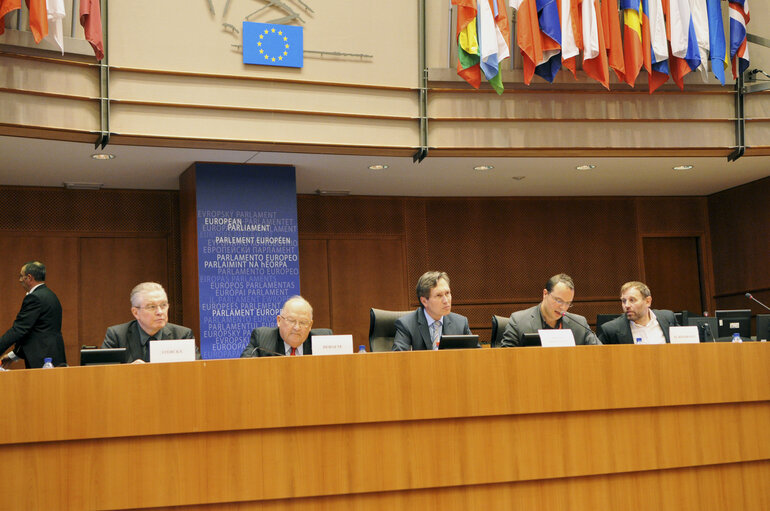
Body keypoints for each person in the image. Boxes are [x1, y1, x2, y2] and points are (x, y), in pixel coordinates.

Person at [102, 282, 195, 363]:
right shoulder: (117, 336)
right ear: (135, 312)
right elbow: (103, 374)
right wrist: (128, 371)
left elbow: (197, 372)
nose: (160, 312)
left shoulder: (182, 336)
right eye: (151, 307)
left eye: (163, 305)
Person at [501, 273, 601, 347]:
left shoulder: (580, 324)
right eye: (558, 300)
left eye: (568, 303)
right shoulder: (519, 322)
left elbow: (602, 353)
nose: (563, 307)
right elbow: (506, 359)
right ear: (545, 294)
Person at [0, 261, 67, 369]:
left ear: (29, 277)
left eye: (21, 276)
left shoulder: (34, 298)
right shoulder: (50, 295)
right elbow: (36, 333)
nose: (20, 280)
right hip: (54, 357)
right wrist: (12, 356)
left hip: (42, 361)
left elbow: (19, 329)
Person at [392, 271, 473, 351]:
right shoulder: (407, 325)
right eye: (439, 295)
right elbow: (398, 359)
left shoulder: (461, 323)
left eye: (447, 293)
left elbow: (476, 355)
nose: (446, 300)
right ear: (424, 301)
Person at [241, 295, 328, 357]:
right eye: (291, 321)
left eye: (303, 322)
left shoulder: (323, 341)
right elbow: (244, 369)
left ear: (310, 325)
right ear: (279, 321)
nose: (297, 327)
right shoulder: (262, 339)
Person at [598, 281, 679, 344]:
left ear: (648, 301)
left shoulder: (668, 318)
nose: (627, 305)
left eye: (632, 300)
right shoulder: (611, 330)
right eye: (624, 301)